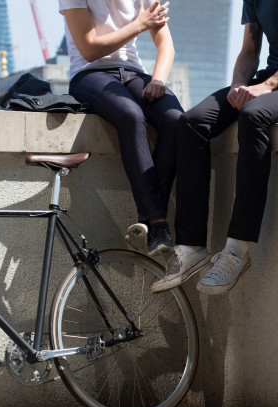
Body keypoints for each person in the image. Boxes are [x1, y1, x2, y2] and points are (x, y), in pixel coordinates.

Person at [152, 0, 278, 295]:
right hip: (272, 83)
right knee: (192, 121)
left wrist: (267, 86)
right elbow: (249, 51)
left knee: (254, 114)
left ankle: (237, 249)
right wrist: (237, 86)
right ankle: (192, 245)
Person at [59, 0, 184, 257]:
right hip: (89, 74)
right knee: (130, 114)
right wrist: (140, 24)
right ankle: (158, 222)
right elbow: (90, 48)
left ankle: (146, 217)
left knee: (176, 120)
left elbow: (166, 44)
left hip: (134, 73)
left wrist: (158, 79)